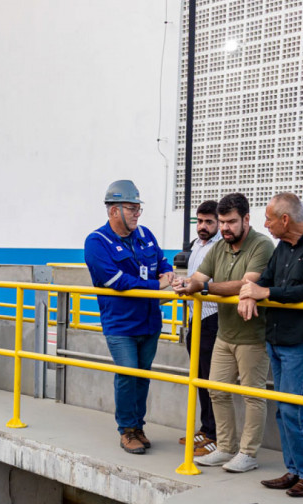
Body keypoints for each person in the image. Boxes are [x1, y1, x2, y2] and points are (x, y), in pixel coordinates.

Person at [239, 193, 303, 497]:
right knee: (284, 411)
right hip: (276, 337)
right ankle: (294, 470)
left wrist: (263, 292)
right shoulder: (282, 246)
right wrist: (249, 293)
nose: (265, 224)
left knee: (294, 409)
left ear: (285, 219)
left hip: (301, 339)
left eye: (269, 218)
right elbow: (265, 281)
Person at [173, 193, 273, 473]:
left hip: (253, 335)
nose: (226, 228)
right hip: (224, 333)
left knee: (253, 395)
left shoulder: (262, 245)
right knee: (216, 390)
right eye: (222, 222)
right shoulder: (218, 248)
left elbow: (246, 284)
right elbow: (199, 279)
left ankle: (248, 453)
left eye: (231, 222)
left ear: (246, 219)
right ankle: (225, 448)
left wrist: (203, 288)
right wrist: (185, 284)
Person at [84, 179, 174, 454]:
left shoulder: (145, 234)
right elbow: (117, 280)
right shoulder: (97, 242)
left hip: (149, 321)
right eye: (132, 208)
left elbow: (161, 261)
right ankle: (126, 430)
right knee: (127, 374)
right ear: (113, 211)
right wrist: (158, 285)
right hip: (121, 324)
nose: (137, 213)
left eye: (138, 209)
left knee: (143, 376)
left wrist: (167, 272)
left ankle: (138, 426)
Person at [180, 200, 221, 457]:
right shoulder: (197, 245)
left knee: (211, 379)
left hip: (213, 318)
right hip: (196, 318)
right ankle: (206, 429)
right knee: (198, 377)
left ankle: (215, 436)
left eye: (209, 222)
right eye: (200, 221)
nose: (203, 227)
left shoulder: (220, 247)